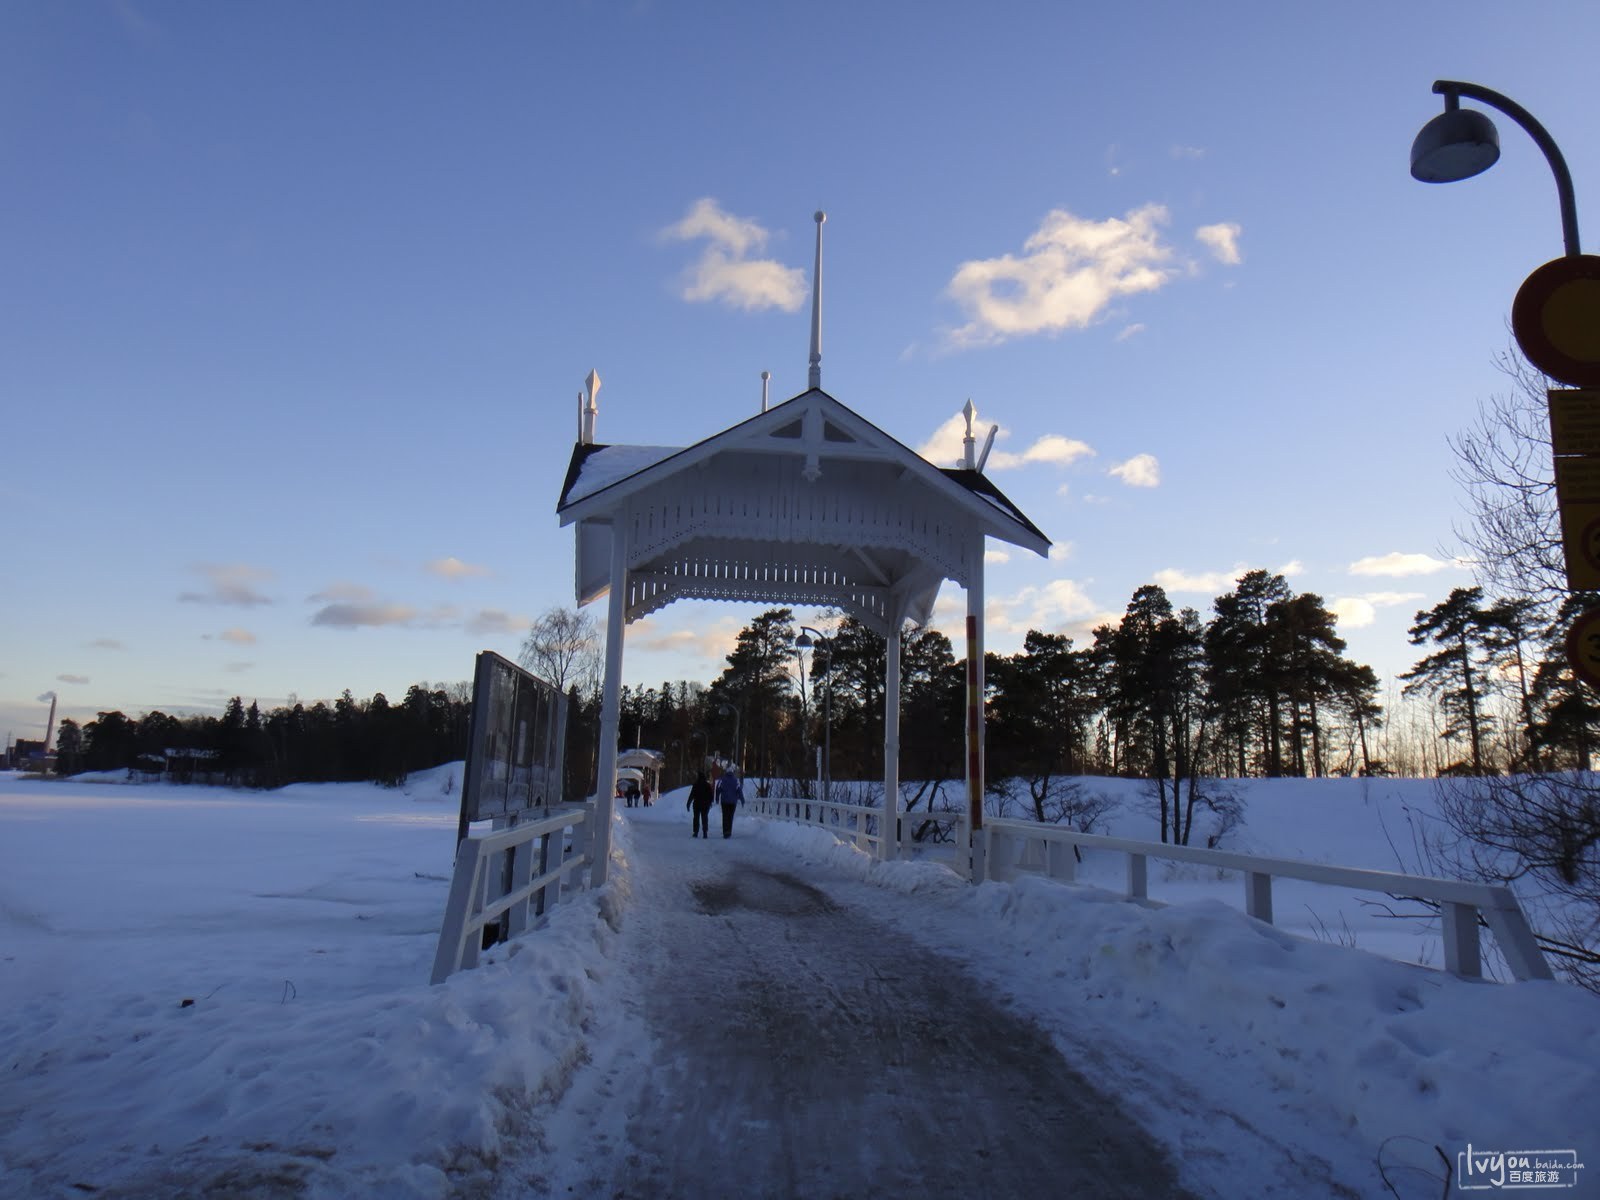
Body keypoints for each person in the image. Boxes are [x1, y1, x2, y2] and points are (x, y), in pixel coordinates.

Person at [714, 766, 744, 838]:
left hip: (724, 801)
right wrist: (742, 799)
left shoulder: (722, 780)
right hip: (733, 802)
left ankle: (725, 832)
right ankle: (729, 831)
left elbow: (718, 789)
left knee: (725, 816)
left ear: (726, 772)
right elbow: (739, 790)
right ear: (732, 772)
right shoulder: (736, 780)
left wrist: (717, 798)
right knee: (730, 816)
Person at [686, 770, 714, 837]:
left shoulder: (696, 785)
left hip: (697, 804)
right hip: (705, 805)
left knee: (696, 818)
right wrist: (710, 803)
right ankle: (705, 832)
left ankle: (696, 832)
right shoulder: (707, 785)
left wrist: (688, 804)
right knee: (704, 818)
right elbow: (711, 795)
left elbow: (692, 795)